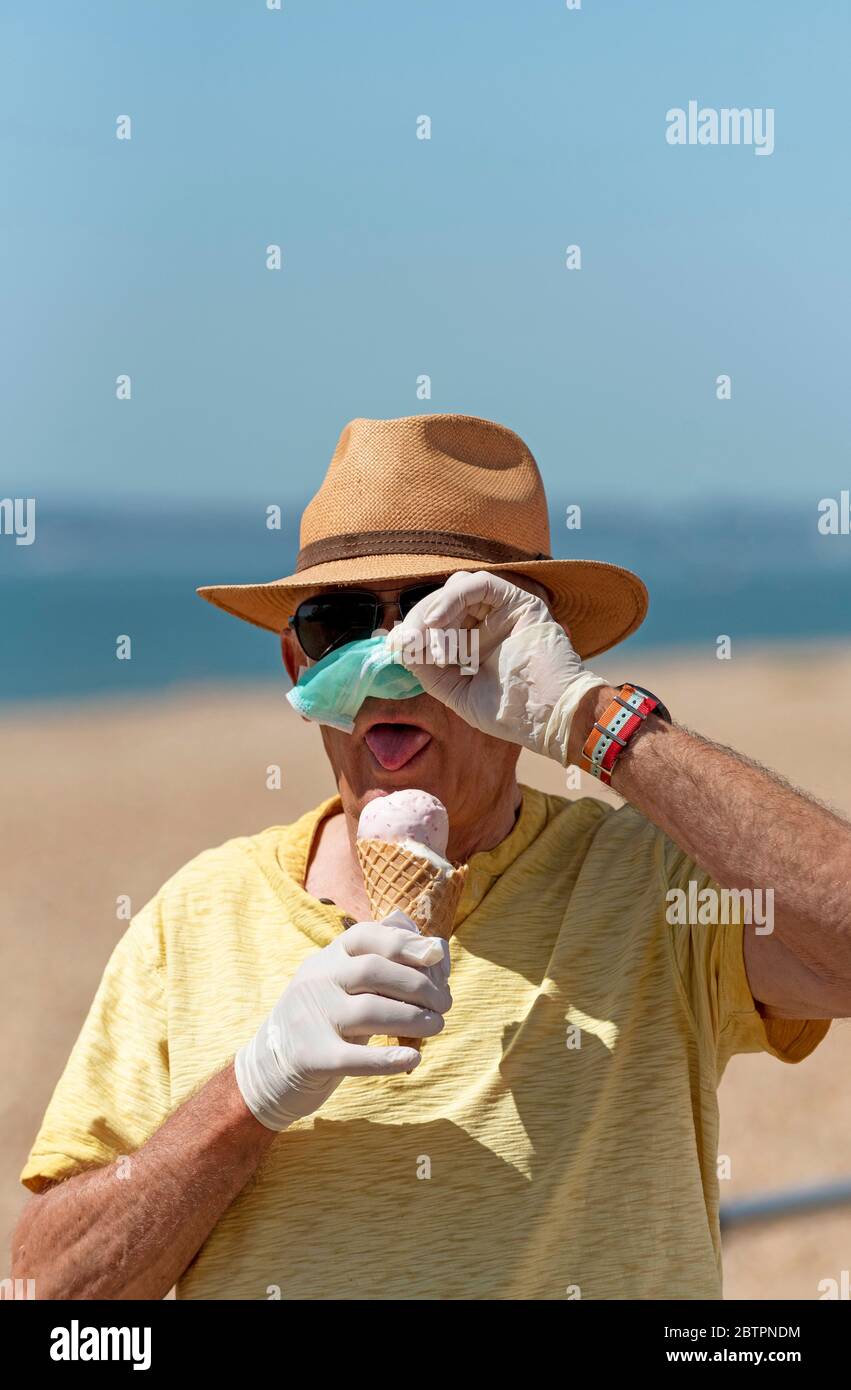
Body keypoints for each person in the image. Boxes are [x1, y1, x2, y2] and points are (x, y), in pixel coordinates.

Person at [12, 414, 850, 1300]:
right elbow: (53, 1302)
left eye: (443, 620)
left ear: (530, 637)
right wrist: (249, 1092)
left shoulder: (651, 885)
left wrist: (591, 718)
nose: (389, 666)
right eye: (342, 625)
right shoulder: (195, 917)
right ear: (296, 661)